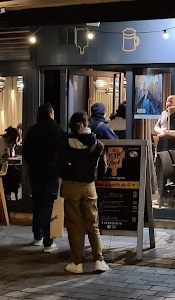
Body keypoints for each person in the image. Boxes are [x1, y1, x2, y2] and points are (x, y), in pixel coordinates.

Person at [57, 111, 109, 274]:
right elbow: (103, 169)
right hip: (89, 187)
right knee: (92, 224)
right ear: (88, 123)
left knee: (74, 225)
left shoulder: (64, 143)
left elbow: (59, 166)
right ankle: (99, 260)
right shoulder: (98, 144)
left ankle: (77, 263)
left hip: (70, 186)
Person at [22, 103, 65, 253]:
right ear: (51, 114)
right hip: (52, 173)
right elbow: (63, 153)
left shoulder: (33, 130)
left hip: (35, 172)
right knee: (48, 205)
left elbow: (25, 152)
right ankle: (48, 242)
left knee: (37, 203)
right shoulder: (58, 130)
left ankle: (37, 237)